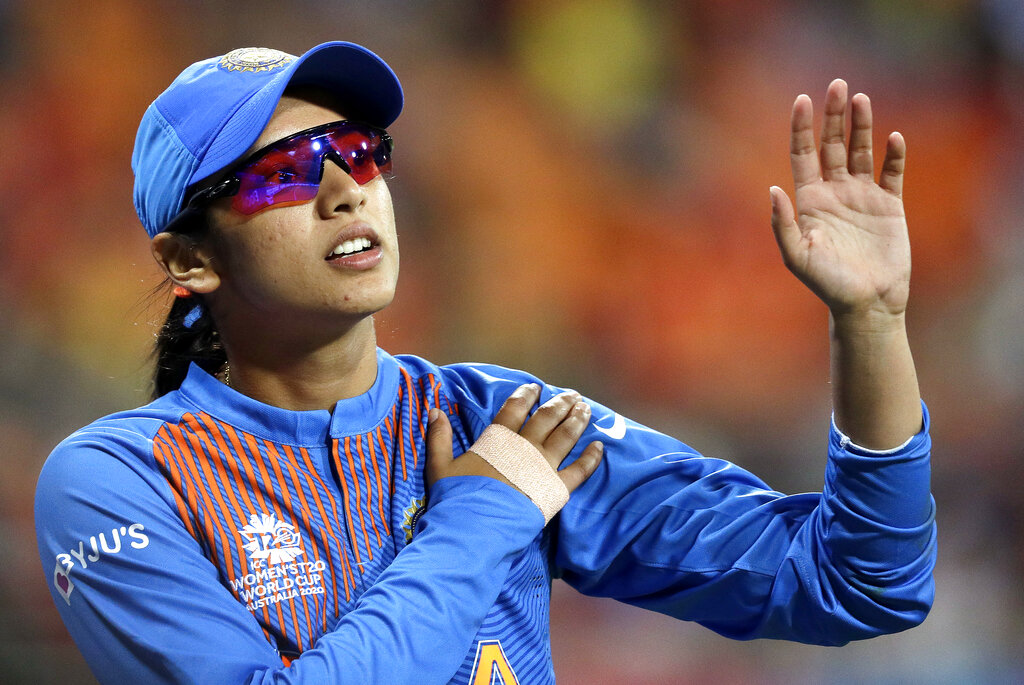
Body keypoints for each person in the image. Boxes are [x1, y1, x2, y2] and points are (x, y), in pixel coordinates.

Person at [34, 41, 936, 684]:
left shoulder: (503, 421)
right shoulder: (116, 481)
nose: (346, 190)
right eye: (285, 174)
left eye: (359, 153)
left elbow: (857, 582)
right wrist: (480, 517)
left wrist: (871, 322)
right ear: (189, 259)